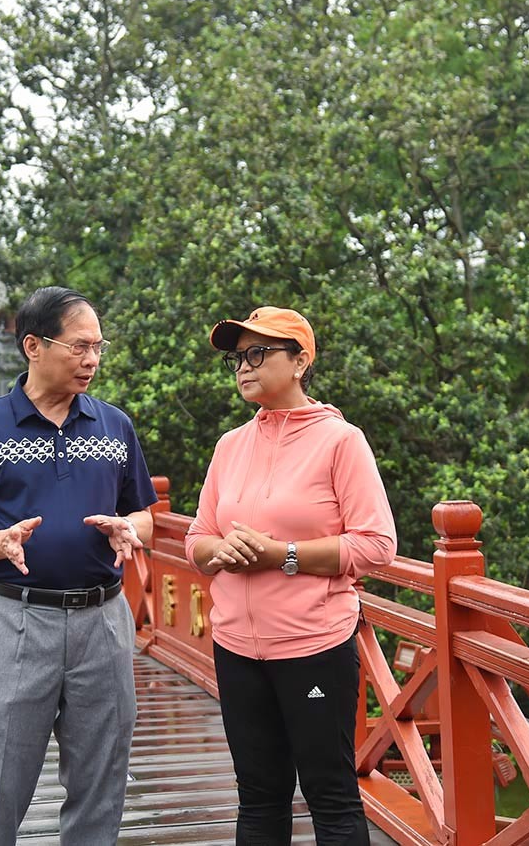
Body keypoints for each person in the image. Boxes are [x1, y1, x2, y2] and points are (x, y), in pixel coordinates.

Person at [0, 286, 157, 846]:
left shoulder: (115, 427)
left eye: (99, 347)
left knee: (101, 781)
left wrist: (131, 530)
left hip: (103, 621)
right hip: (14, 622)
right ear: (33, 345)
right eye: (79, 346)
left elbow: (144, 515)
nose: (92, 360)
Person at [184, 306, 397, 845]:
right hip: (236, 646)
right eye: (237, 358)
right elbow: (195, 541)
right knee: (258, 797)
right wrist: (220, 549)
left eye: (258, 354)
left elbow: (377, 545)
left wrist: (284, 555)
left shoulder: (341, 441)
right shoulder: (230, 446)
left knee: (331, 796)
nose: (243, 367)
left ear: (300, 361)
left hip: (314, 644)